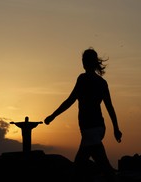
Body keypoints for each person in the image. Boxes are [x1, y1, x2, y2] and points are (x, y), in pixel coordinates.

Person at [44, 47, 122, 180]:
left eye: (84, 60)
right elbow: (110, 107)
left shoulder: (83, 79)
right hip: (98, 128)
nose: (82, 63)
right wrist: (115, 128)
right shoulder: (102, 83)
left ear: (86, 62)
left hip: (90, 129)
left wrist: (53, 116)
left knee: (100, 166)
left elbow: (70, 100)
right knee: (81, 164)